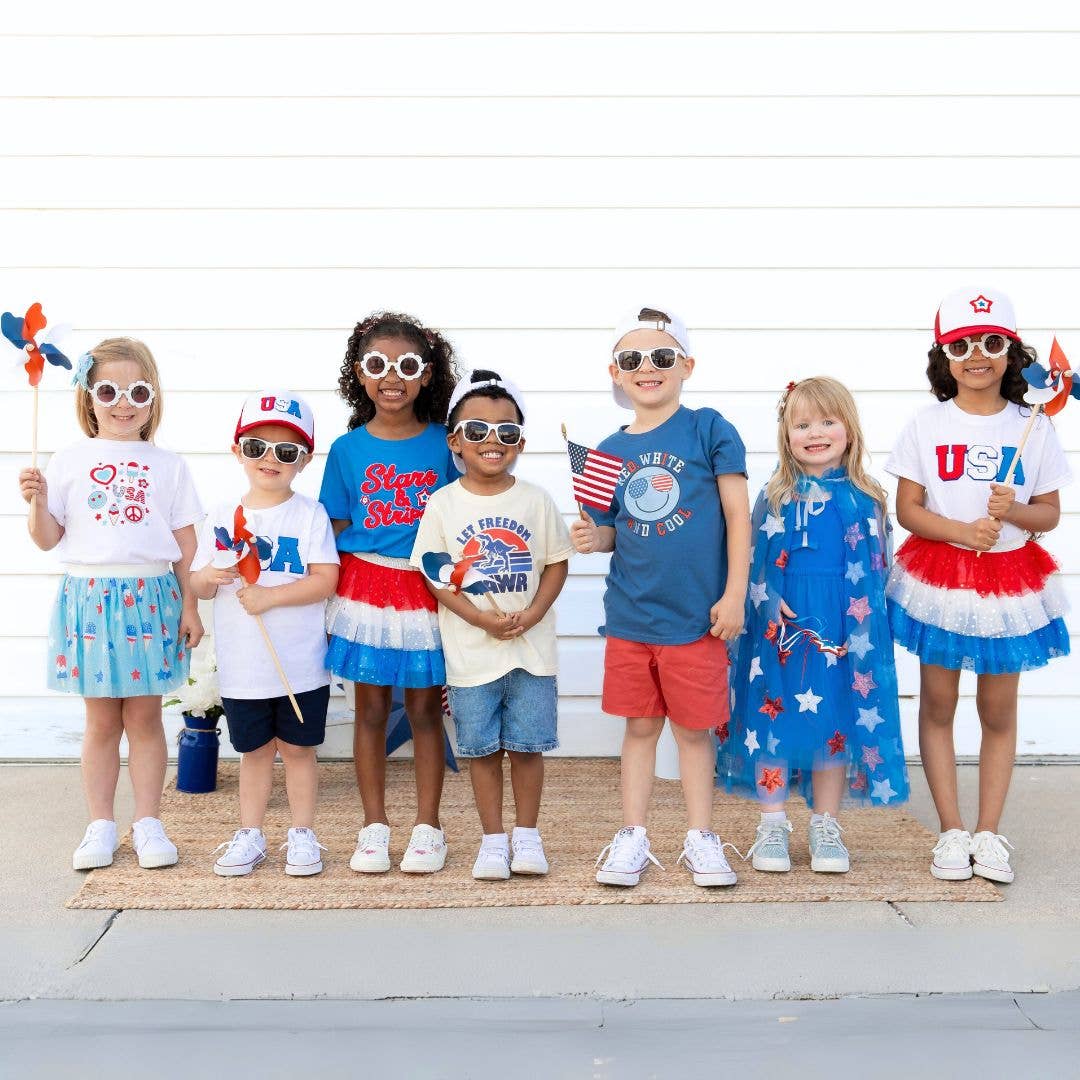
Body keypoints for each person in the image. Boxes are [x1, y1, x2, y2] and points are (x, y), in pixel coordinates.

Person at [886, 287, 1071, 884]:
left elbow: (1049, 514)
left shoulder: (1035, 425)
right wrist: (962, 532)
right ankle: (951, 831)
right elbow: (908, 509)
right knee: (938, 703)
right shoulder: (928, 422)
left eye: (992, 343)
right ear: (945, 355)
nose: (977, 356)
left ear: (1012, 354)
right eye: (962, 345)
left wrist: (1013, 510)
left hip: (1007, 584)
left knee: (997, 707)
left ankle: (990, 833)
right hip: (943, 577)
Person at [569, 305, 750, 888]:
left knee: (694, 732)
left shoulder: (709, 428)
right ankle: (634, 836)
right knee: (641, 727)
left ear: (686, 365)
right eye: (633, 360)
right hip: (631, 615)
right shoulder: (607, 449)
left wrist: (735, 592)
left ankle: (701, 836)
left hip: (698, 617)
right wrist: (591, 536)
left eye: (661, 357)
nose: (647, 368)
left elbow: (735, 514)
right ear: (616, 373)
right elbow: (609, 529)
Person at [17, 339, 203, 870]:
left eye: (138, 391)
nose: (124, 403)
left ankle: (147, 821)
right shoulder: (69, 461)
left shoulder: (167, 465)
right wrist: (35, 502)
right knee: (100, 721)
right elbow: (48, 537)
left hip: (151, 597)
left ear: (153, 398)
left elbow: (187, 545)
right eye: (109, 391)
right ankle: (100, 823)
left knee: (145, 718)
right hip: (90, 599)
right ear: (88, 397)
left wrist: (190, 606)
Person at [720, 377, 909, 875]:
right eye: (802, 424)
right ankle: (772, 822)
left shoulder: (867, 497)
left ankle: (825, 824)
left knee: (834, 727)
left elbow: (877, 567)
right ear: (786, 434)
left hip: (844, 632)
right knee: (772, 724)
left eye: (827, 421)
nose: (815, 433)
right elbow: (752, 559)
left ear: (850, 428)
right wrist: (770, 596)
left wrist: (864, 626)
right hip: (781, 631)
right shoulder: (776, 495)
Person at [411, 370, 571, 880]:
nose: (492, 441)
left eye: (505, 431)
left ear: (520, 442)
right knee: (481, 748)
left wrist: (535, 613)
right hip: (472, 654)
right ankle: (493, 839)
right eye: (477, 430)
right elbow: (436, 574)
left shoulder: (536, 500)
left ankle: (527, 835)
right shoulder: (443, 504)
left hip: (531, 652)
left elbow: (556, 561)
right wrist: (479, 617)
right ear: (455, 440)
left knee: (526, 746)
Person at [320, 312, 459, 874]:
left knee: (427, 709)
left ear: (427, 375)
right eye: (378, 365)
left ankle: (429, 828)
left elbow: (462, 519)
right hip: (365, 585)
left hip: (425, 583)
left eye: (407, 365)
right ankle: (373, 827)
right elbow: (328, 530)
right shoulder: (345, 449)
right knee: (370, 708)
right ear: (360, 374)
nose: (392, 377)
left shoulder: (443, 445)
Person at [191, 392, 339, 877]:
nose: (270, 459)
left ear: (304, 460)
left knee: (298, 750)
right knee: (253, 753)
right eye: (257, 447)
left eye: (286, 451)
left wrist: (270, 596)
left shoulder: (309, 514)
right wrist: (211, 577)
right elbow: (194, 582)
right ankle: (251, 834)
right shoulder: (221, 515)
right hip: (244, 668)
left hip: (299, 664)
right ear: (238, 451)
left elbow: (325, 580)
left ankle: (301, 833)